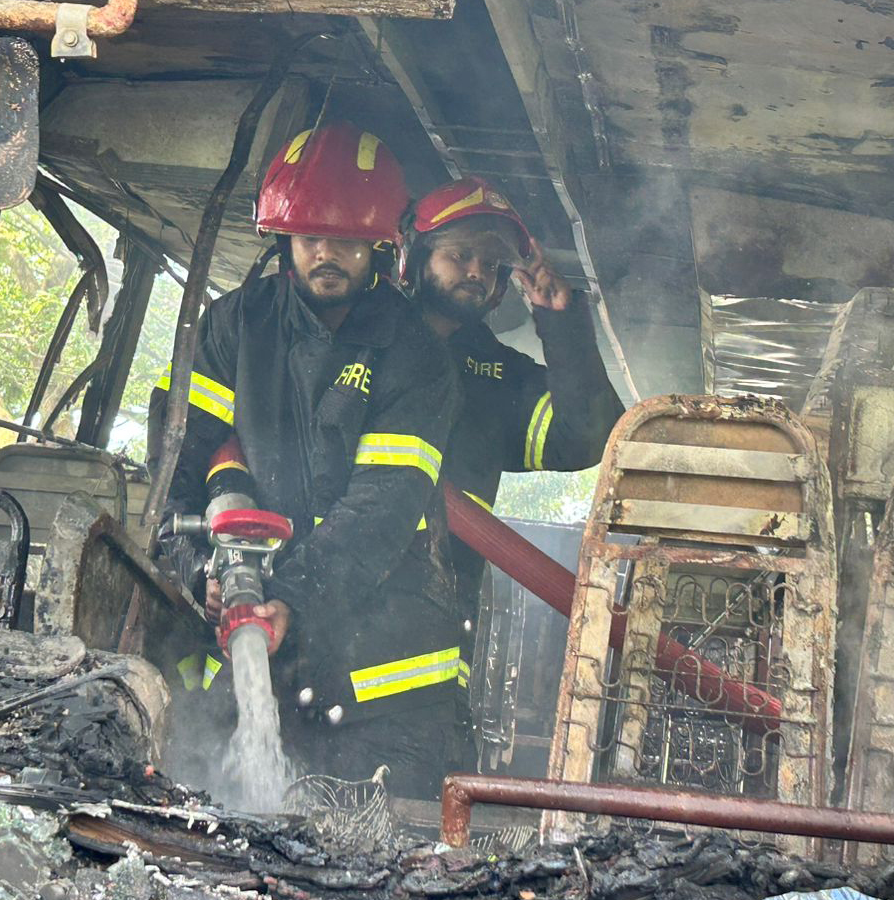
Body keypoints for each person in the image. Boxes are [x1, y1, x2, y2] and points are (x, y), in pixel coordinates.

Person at [168, 121, 468, 800]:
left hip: (385, 678)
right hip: (267, 631)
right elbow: (180, 464)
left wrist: (289, 598)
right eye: (308, 237)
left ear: (380, 247)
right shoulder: (233, 327)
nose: (325, 253)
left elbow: (380, 514)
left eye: (344, 239)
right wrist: (199, 572)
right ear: (282, 240)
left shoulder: (416, 358)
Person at [400, 176, 624, 612]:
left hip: (434, 618)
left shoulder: (496, 378)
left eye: (489, 266)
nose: (475, 273)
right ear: (415, 256)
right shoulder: (362, 339)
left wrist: (562, 325)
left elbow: (587, 437)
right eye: (461, 255)